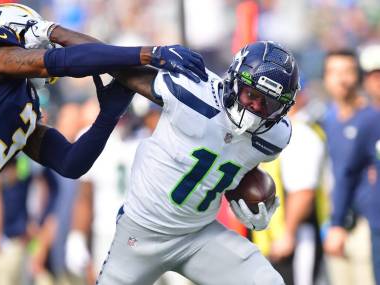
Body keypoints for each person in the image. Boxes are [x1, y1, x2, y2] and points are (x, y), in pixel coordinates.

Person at [0, 3, 207, 284]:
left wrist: (107, 116)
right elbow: (61, 62)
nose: (49, 47)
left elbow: (70, 163)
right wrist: (149, 53)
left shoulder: (22, 107)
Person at [92, 41, 299, 284]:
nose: (256, 106)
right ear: (234, 81)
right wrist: (55, 38)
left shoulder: (275, 136)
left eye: (269, 103)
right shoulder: (191, 90)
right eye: (252, 94)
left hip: (198, 235)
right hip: (142, 230)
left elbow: (240, 164)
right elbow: (111, 63)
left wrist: (251, 204)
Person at [252, 83, 327, 285]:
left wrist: (288, 234)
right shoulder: (276, 131)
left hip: (297, 237)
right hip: (277, 238)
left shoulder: (300, 134)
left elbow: (303, 192)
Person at [324, 44, 380, 285]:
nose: (342, 79)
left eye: (347, 71)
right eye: (334, 72)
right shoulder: (326, 118)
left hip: (365, 224)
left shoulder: (371, 119)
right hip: (335, 222)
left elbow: (350, 174)